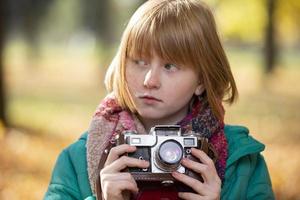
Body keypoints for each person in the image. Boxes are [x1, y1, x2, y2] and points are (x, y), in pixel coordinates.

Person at [44, 0, 274, 199]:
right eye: (140, 61)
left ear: (202, 81)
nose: (150, 80)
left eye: (170, 66)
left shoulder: (242, 162)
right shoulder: (76, 160)